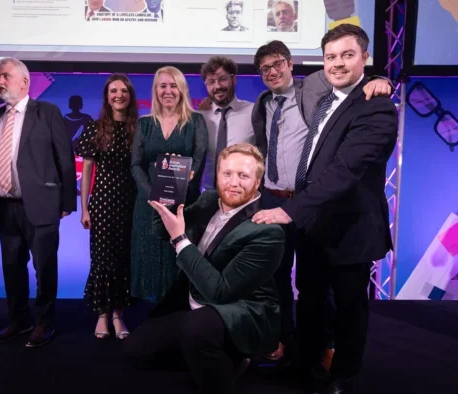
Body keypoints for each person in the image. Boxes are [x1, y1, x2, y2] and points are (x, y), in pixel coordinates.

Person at [253, 24, 398, 393]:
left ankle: (343, 377)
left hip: (350, 228)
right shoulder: (327, 100)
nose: (337, 63)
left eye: (347, 55)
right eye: (331, 57)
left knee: (350, 308)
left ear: (365, 57)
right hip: (315, 225)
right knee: (312, 301)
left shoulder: (376, 107)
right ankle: (303, 365)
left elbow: (345, 170)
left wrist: (292, 209)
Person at [125, 143, 285, 394]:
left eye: (243, 176)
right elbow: (161, 228)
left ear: (257, 182)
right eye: (227, 173)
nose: (234, 182)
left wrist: (180, 240)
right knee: (137, 350)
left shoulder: (268, 231)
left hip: (242, 311)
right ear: (217, 175)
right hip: (196, 304)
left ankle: (225, 368)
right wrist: (172, 184)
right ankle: (223, 356)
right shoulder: (210, 199)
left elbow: (220, 292)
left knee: (195, 330)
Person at [0, 57, 77, 348]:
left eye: (6, 76)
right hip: (6, 207)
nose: (0, 81)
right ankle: (19, 320)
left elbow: (65, 159)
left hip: (42, 205)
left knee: (44, 267)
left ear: (24, 82)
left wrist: (67, 202)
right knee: (12, 267)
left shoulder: (47, 112)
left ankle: (44, 323)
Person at [130, 66, 208, 304]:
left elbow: (199, 158)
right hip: (149, 204)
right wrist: (152, 196)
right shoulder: (144, 124)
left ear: (182, 89)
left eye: (173, 85)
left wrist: (180, 185)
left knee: (179, 258)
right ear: (155, 90)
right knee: (150, 260)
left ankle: (179, 318)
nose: (168, 91)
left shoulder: (196, 121)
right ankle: (155, 320)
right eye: (162, 85)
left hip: (183, 203)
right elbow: (136, 164)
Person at [76, 74, 138, 339]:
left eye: (123, 91)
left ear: (130, 95)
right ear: (107, 96)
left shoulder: (140, 127)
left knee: (124, 259)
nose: (118, 95)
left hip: (132, 203)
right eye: (113, 91)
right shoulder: (96, 127)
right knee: (102, 260)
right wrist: (85, 208)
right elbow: (87, 169)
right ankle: (102, 315)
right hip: (101, 202)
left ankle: (118, 316)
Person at [199, 56, 256, 191]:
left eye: (222, 79)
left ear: (234, 79)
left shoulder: (254, 112)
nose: (217, 86)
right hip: (206, 195)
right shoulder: (200, 117)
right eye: (211, 82)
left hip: (242, 194)